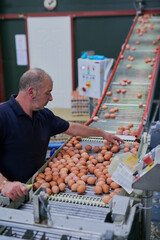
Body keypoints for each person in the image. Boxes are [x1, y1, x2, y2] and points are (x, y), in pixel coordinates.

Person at [0, 68, 123, 201]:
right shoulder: (3, 116)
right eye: (48, 93)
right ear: (31, 92)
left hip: (37, 187)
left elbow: (72, 128)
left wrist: (102, 133)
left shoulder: (44, 116)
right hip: (9, 195)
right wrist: (4, 184)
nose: (51, 98)